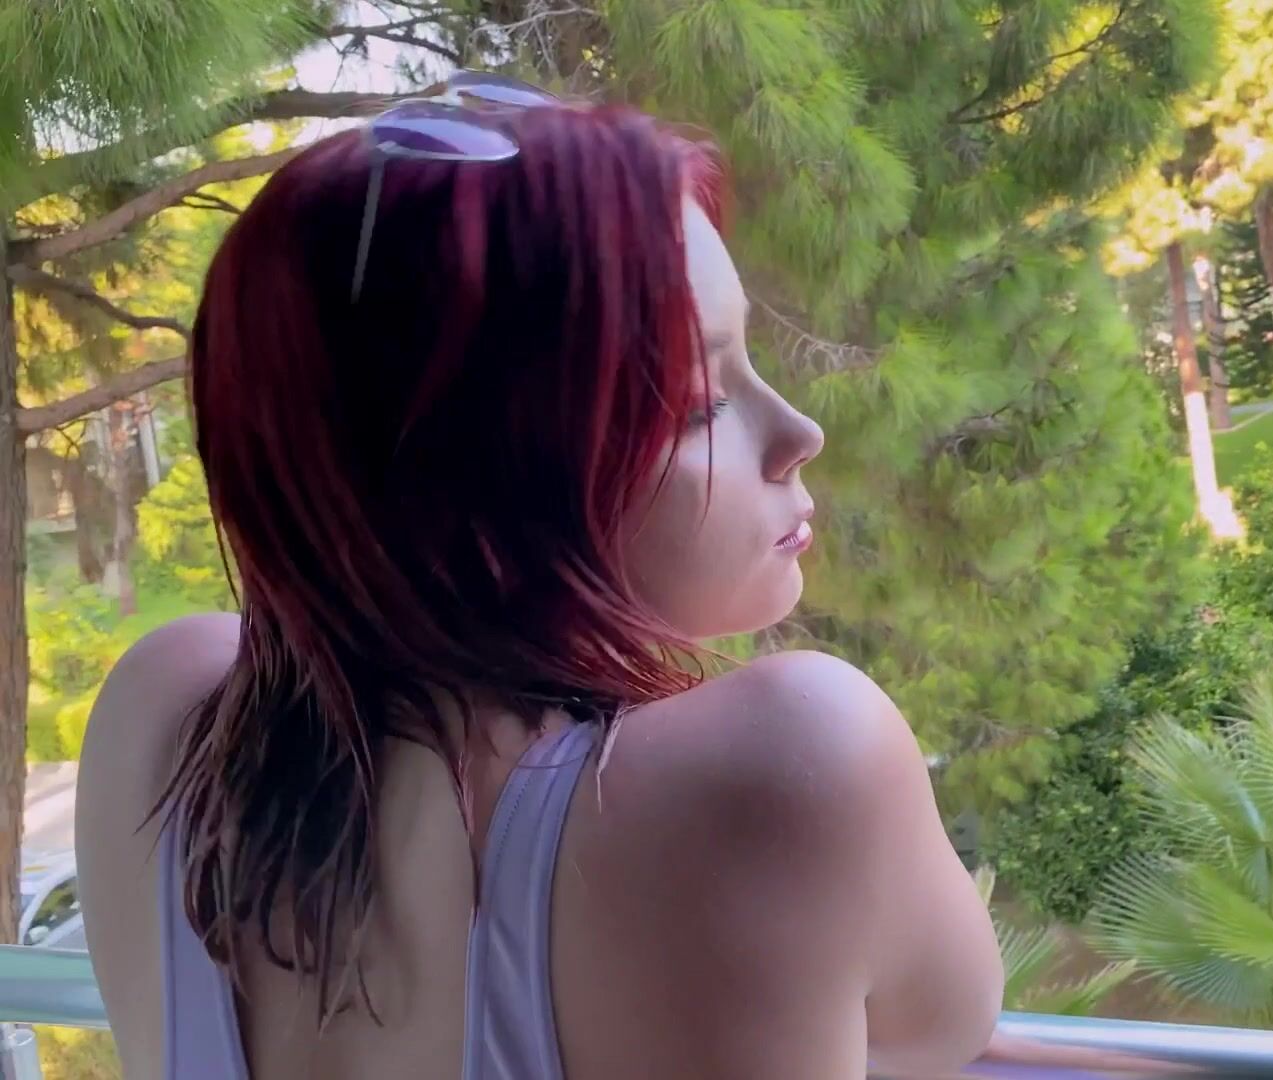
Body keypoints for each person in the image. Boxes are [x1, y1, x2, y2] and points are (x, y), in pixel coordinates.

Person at [74, 76, 1002, 1080]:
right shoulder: (793, 757)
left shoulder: (161, 723)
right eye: (695, 401)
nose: (798, 433)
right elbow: (936, 1023)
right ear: (472, 472)